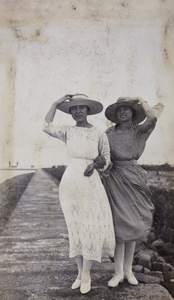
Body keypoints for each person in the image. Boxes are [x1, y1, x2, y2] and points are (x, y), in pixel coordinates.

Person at [43, 93, 115, 294]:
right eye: (73, 108)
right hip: (70, 181)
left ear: (88, 110)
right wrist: (56, 102)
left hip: (90, 180)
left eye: (81, 108)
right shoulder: (67, 131)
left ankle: (86, 275)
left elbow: (107, 158)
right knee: (75, 227)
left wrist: (95, 163)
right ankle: (78, 273)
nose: (77, 111)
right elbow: (46, 125)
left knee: (90, 225)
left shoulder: (99, 133)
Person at [102, 97, 164, 288]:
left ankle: (128, 271)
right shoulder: (108, 133)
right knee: (119, 227)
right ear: (115, 114)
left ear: (133, 113)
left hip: (135, 178)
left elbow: (153, 117)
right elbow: (101, 155)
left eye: (126, 109)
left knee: (134, 226)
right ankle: (118, 272)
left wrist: (141, 101)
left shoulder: (139, 131)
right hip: (114, 179)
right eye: (119, 110)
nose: (122, 112)